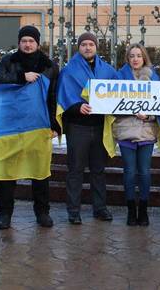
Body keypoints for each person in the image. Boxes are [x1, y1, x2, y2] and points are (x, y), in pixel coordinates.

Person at [0, 25, 60, 230]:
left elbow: (53, 96)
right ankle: (4, 214)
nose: (28, 45)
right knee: (7, 173)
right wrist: (22, 77)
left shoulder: (50, 66)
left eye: (31, 41)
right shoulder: (8, 61)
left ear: (38, 43)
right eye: (24, 41)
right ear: (19, 43)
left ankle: (42, 212)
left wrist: (55, 124)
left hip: (38, 126)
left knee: (40, 172)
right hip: (11, 124)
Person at [56, 32, 118, 225]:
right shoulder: (69, 71)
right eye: (84, 44)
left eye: (91, 44)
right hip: (78, 127)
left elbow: (118, 93)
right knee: (75, 170)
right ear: (79, 47)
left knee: (98, 170)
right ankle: (73, 210)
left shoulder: (108, 70)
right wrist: (76, 106)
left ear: (96, 47)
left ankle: (100, 208)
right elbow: (64, 97)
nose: (88, 47)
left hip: (100, 127)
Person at [112, 43, 160, 226]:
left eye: (138, 56)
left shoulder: (154, 79)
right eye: (132, 56)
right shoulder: (118, 78)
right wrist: (131, 111)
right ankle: (131, 210)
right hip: (126, 131)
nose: (135, 59)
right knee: (129, 172)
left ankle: (144, 209)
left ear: (144, 58)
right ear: (127, 58)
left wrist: (148, 115)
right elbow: (111, 106)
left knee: (144, 172)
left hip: (147, 132)